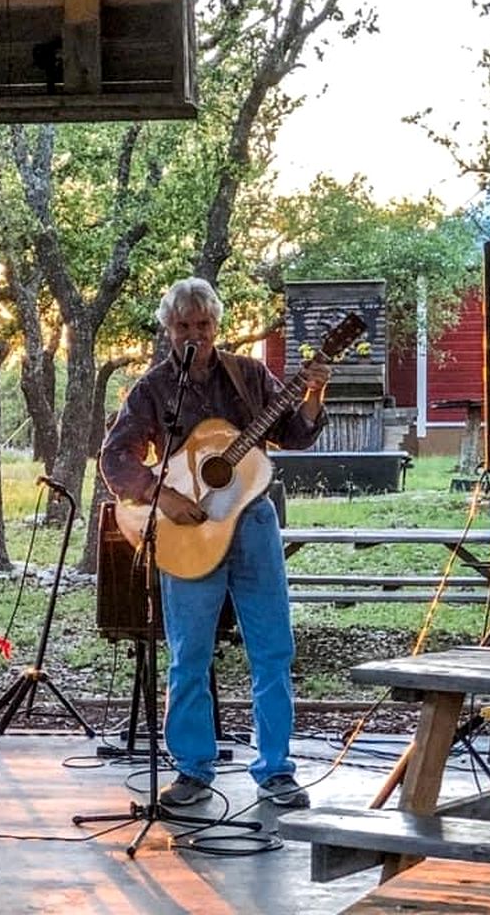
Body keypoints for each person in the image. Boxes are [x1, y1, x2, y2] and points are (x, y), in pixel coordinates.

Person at [100, 277, 330, 809]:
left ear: (216, 326)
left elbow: (295, 435)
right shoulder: (154, 388)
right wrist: (162, 494)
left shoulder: (248, 375)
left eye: (203, 325)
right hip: (190, 530)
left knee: (273, 649)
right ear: (168, 330)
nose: (194, 335)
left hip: (252, 522)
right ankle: (192, 769)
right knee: (189, 655)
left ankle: (276, 769)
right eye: (183, 326)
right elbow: (115, 457)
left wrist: (314, 393)